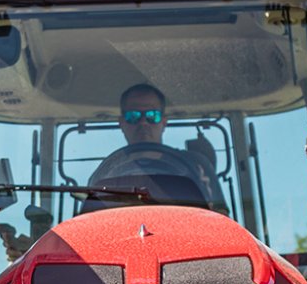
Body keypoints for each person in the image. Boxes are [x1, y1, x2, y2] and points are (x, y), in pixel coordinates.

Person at [90, 83, 227, 211]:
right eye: (133, 116)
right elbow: (89, 225)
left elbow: (221, 220)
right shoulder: (105, 174)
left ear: (164, 121)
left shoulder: (197, 165)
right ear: (121, 123)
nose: (143, 122)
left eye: (152, 115)